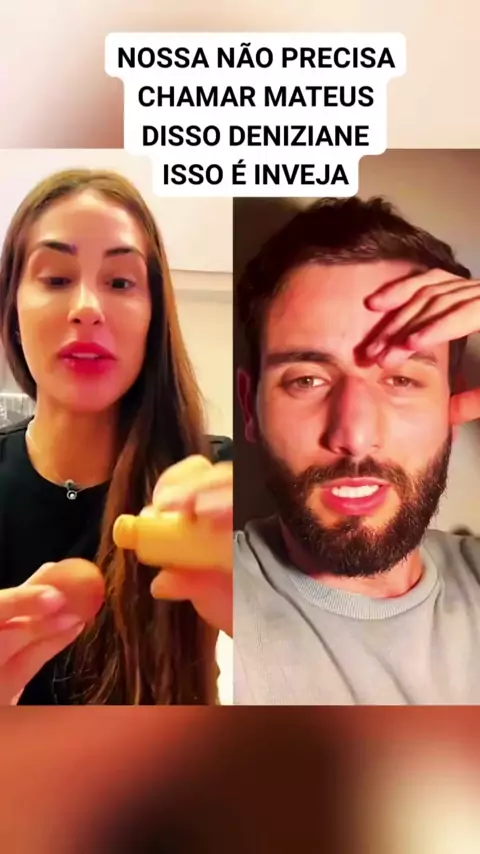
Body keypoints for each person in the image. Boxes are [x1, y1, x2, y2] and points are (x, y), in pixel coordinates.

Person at [234, 195, 480, 705]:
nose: (354, 434)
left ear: (452, 402)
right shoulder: (205, 599)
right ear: (249, 407)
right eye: (306, 379)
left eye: (402, 379)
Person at [0, 168, 233, 705]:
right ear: (12, 309)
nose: (87, 307)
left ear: (154, 315)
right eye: (56, 279)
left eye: (121, 282)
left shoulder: (216, 481)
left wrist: (277, 618)